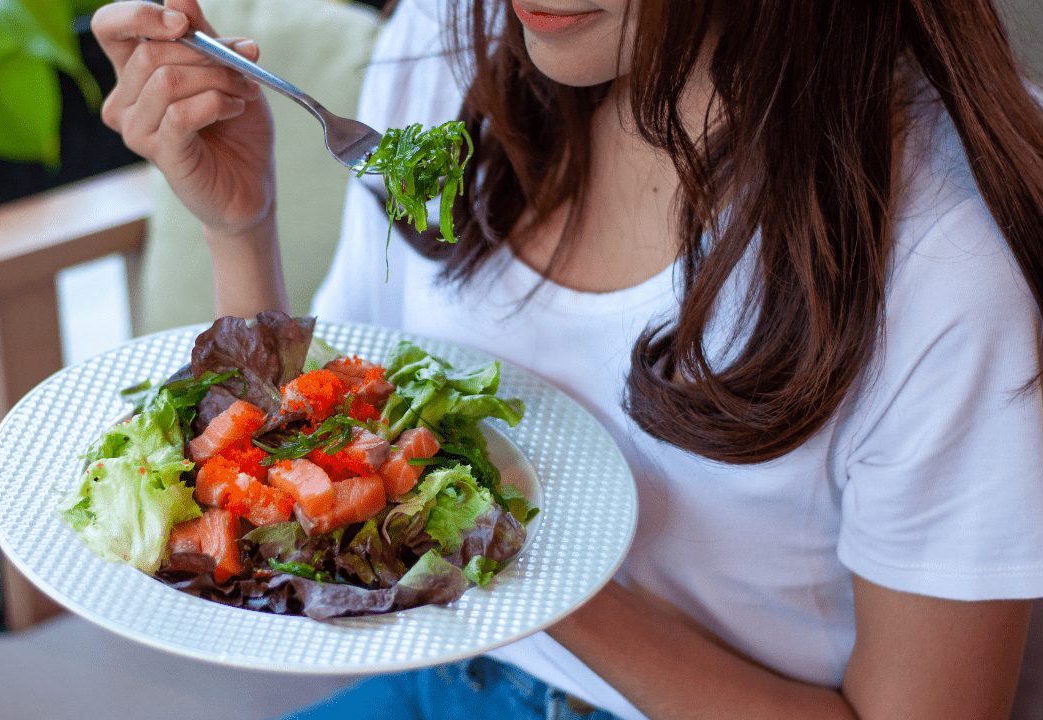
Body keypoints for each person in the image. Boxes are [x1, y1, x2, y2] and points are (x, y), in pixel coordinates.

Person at [90, 0, 1043, 717]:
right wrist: (239, 228)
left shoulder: (936, 272)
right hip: (444, 681)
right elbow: (317, 431)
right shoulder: (443, 45)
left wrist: (517, 564)